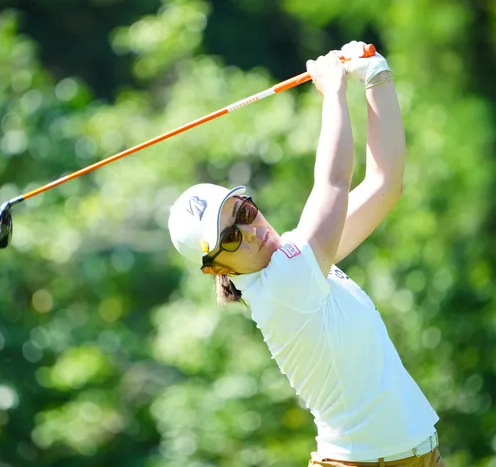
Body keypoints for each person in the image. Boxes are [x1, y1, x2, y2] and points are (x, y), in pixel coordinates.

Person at [167, 41, 444, 467]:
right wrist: (333, 90)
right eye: (230, 237)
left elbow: (385, 184)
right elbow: (333, 181)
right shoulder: (285, 280)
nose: (251, 231)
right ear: (216, 267)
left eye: (244, 211)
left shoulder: (303, 260)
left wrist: (376, 75)